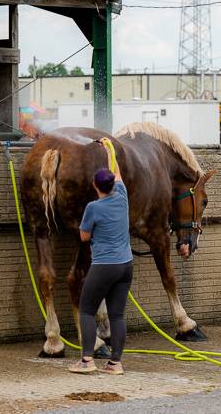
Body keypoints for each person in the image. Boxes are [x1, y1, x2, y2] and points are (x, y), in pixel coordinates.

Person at [69, 139, 133, 376]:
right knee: (117, 314)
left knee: (86, 309)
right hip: (125, 265)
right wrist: (109, 149)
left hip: (104, 265)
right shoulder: (122, 195)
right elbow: (118, 174)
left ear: (95, 185)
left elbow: (84, 237)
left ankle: (87, 361)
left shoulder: (93, 208)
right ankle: (115, 364)